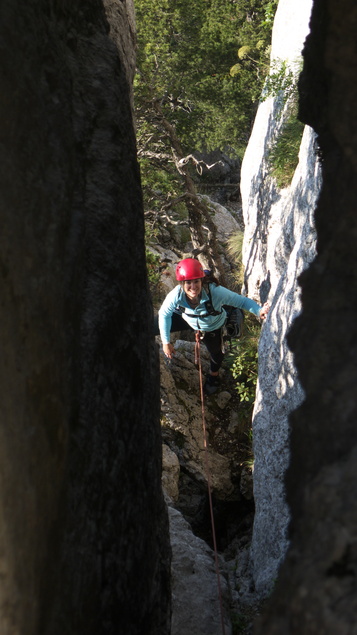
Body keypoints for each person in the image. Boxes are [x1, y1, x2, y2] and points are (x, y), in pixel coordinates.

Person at [155, 258, 269, 394]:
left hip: (211, 325)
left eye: (196, 281)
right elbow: (164, 314)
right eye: (188, 283)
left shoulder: (215, 292)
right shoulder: (176, 295)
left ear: (201, 280)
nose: (193, 287)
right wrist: (166, 342)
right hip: (187, 318)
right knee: (151, 325)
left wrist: (258, 310)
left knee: (216, 353)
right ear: (181, 284)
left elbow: (241, 301)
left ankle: (213, 375)